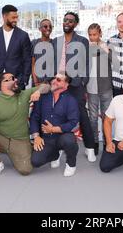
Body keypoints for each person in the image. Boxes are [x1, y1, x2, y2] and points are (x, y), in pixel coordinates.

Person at [0, 73, 50, 177]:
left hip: (20, 140)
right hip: (0, 137)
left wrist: (38, 91)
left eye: (14, 78)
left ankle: (27, 148)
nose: (14, 80)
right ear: (2, 84)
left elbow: (47, 86)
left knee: (26, 170)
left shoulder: (24, 94)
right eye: (9, 79)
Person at [52, 12, 96, 162]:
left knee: (82, 116)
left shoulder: (82, 41)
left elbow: (87, 63)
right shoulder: (56, 41)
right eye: (65, 20)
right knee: (58, 116)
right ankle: (57, 150)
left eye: (70, 21)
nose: (67, 23)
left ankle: (90, 148)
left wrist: (83, 81)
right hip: (59, 84)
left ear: (75, 24)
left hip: (75, 84)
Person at [30, 73, 80, 177]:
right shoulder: (43, 97)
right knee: (36, 161)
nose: (54, 81)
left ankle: (71, 164)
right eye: (54, 79)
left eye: (58, 80)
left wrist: (54, 129)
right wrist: (36, 136)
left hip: (62, 136)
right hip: (46, 139)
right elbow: (34, 117)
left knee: (69, 141)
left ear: (66, 85)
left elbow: (73, 123)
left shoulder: (71, 100)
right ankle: (55, 155)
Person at [0, 5, 31, 90]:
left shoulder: (23, 35)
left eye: (17, 17)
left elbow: (27, 59)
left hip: (17, 82)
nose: (16, 20)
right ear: (4, 16)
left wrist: (24, 80)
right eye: (13, 17)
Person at [87, 23, 113, 155]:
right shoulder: (86, 47)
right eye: (90, 35)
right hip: (91, 88)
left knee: (106, 117)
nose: (92, 37)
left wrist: (105, 49)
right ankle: (95, 142)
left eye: (94, 34)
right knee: (92, 118)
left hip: (106, 87)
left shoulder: (106, 45)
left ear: (100, 33)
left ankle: (107, 142)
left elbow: (114, 61)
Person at [31, 18, 53, 86]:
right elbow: (33, 64)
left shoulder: (55, 43)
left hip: (51, 82)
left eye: (50, 26)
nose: (48, 28)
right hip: (37, 81)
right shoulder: (34, 43)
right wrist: (35, 82)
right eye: (45, 26)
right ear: (39, 29)